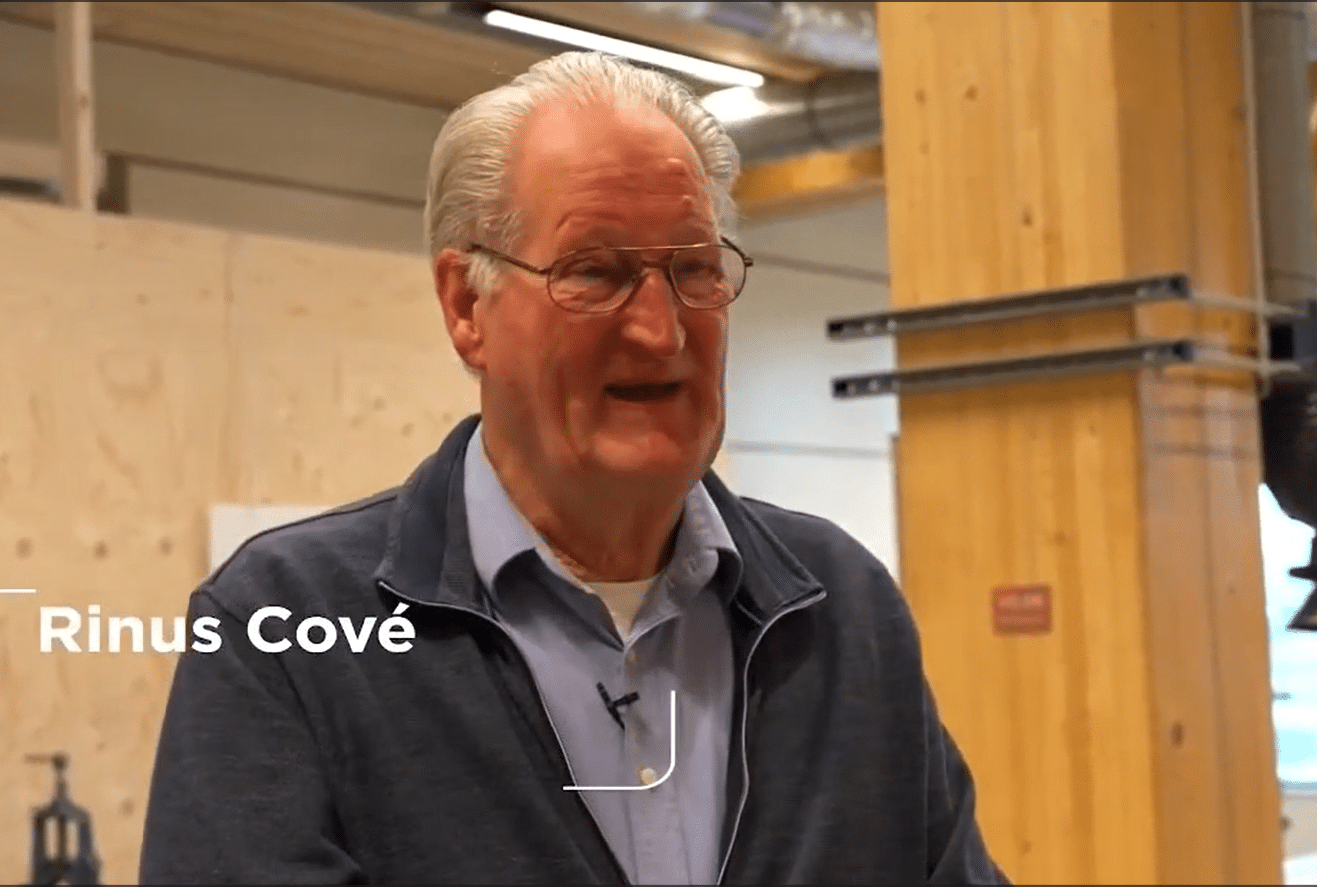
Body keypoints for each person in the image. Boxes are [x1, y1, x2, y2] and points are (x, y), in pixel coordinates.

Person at [138, 50, 1008, 885]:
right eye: (595, 271)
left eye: (694, 270)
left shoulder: (840, 609)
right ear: (466, 305)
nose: (660, 331)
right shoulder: (283, 626)